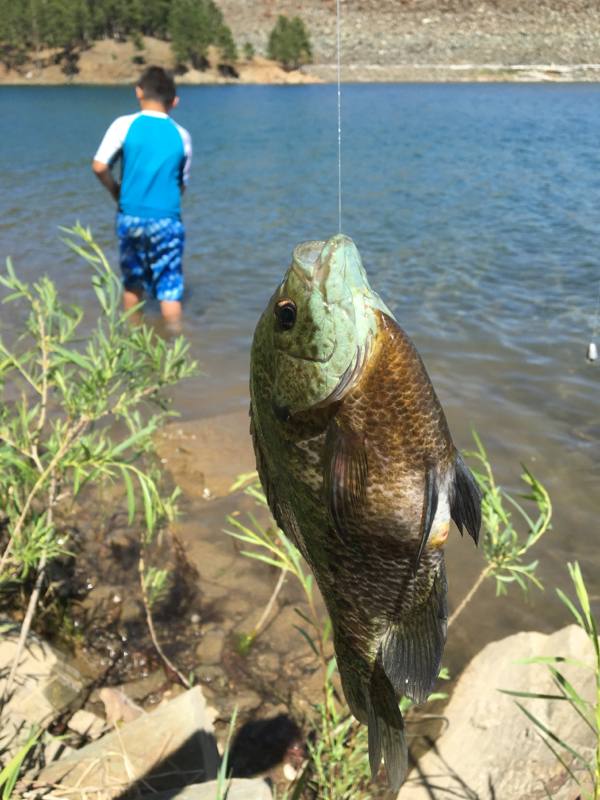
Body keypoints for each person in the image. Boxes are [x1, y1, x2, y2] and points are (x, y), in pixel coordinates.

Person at [92, 66, 192, 324]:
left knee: (132, 285)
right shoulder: (182, 136)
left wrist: (118, 194)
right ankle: (175, 351)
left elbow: (100, 166)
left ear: (139, 92)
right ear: (175, 102)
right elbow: (181, 185)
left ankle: (131, 345)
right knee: (169, 290)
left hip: (131, 216)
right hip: (167, 219)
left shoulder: (123, 125)